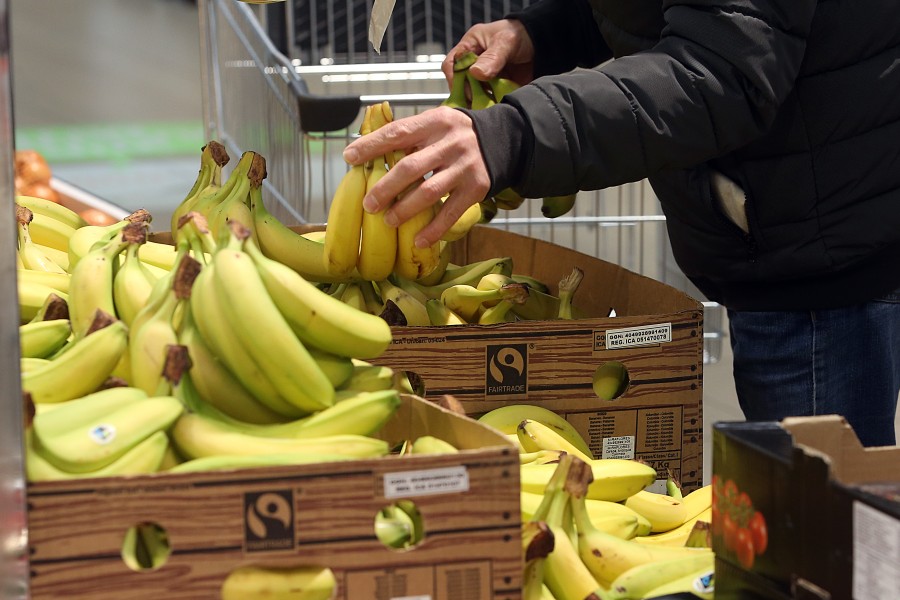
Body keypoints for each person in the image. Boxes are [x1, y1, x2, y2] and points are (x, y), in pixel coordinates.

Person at [342, 0, 900, 447]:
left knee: (820, 544)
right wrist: (544, 31)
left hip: (819, 263)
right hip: (785, 233)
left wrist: (512, 135)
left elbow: (720, 72)